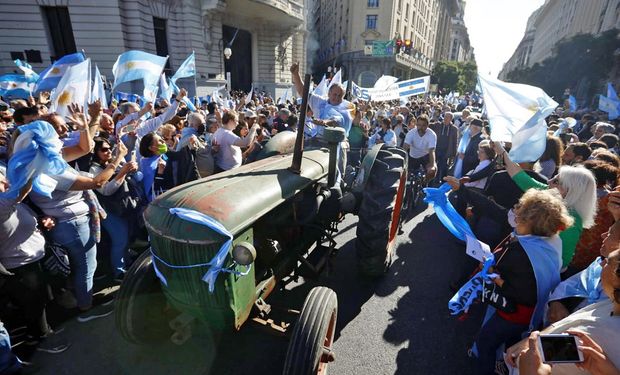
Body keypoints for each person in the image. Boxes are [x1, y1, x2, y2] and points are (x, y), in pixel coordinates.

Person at [444, 187, 573, 375]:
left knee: (485, 343)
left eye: (519, 209)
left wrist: (495, 276)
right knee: (513, 346)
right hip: (529, 314)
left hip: (513, 314)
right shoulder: (548, 241)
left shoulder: (523, 252)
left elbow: (522, 293)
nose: (515, 211)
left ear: (530, 221)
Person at [506, 248, 620, 375]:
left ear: (617, 279)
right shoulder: (609, 304)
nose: (601, 264)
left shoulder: (610, 334)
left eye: (608, 262)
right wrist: (531, 343)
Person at [496, 141, 598, 270]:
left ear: (571, 191)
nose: (548, 181)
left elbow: (562, 261)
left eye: (556, 181)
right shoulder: (549, 191)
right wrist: (501, 150)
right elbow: (519, 176)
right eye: (554, 177)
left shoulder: (572, 221)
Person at [89, 138, 138, 280]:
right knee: (120, 239)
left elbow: (134, 175)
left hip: (123, 207)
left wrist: (132, 169)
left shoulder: (111, 163)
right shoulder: (94, 169)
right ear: (96, 152)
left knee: (126, 237)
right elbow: (106, 191)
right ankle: (119, 271)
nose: (108, 151)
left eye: (109, 148)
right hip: (108, 211)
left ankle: (127, 262)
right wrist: (122, 172)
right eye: (104, 149)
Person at [403, 114, 437, 180]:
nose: (420, 127)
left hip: (426, 156)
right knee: (405, 175)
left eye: (423, 125)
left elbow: (431, 151)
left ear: (427, 125)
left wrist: (432, 166)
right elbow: (405, 148)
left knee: (432, 171)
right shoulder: (411, 133)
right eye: (419, 125)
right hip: (413, 156)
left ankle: (426, 184)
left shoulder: (432, 134)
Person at [430, 111, 458, 184]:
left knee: (443, 166)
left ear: (451, 119)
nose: (445, 119)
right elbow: (428, 125)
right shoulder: (437, 125)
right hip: (436, 149)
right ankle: (433, 179)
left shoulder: (454, 129)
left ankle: (442, 180)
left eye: (447, 117)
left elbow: (455, 142)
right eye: (445, 116)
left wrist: (453, 154)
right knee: (434, 164)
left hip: (446, 151)